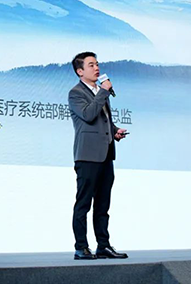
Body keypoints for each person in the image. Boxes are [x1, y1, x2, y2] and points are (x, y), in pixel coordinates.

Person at [68, 52, 128, 260]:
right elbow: (88, 115)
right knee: (83, 204)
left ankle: (103, 246)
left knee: (103, 205)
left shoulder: (100, 91)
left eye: (97, 64)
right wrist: (103, 91)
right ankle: (81, 247)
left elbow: (103, 120)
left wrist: (114, 131)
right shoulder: (76, 93)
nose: (97, 68)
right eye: (91, 65)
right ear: (80, 71)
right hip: (87, 156)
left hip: (106, 155)